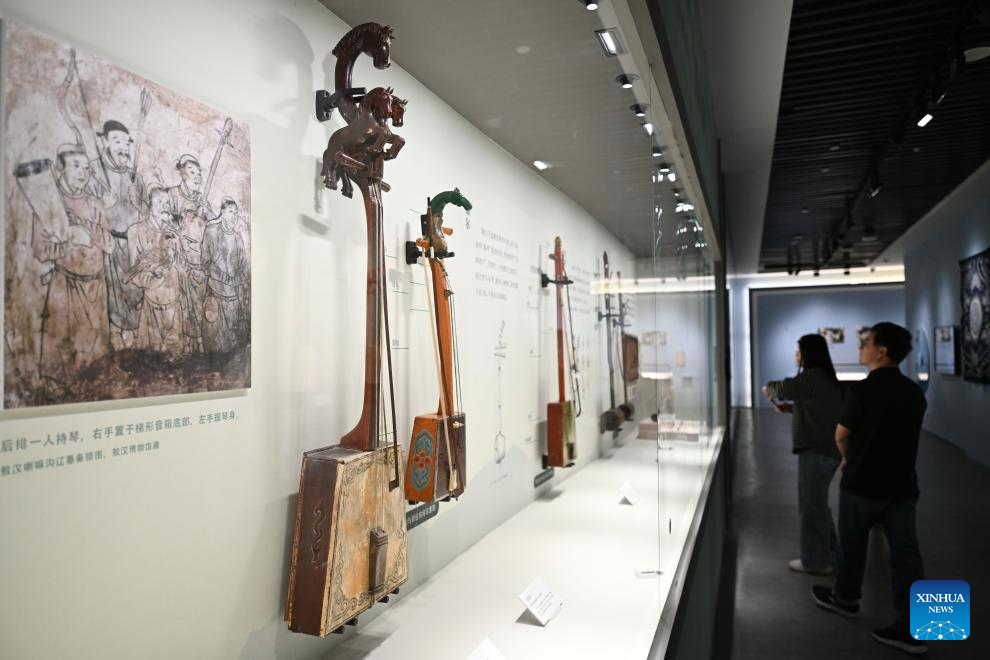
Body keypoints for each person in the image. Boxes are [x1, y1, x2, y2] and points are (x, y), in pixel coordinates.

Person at [811, 322, 928, 656]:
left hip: (861, 484)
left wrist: (849, 458)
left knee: (852, 546)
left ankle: (846, 598)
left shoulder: (861, 391)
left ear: (882, 351)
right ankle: (917, 630)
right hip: (902, 486)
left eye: (867, 343)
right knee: (907, 556)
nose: (861, 348)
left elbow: (841, 436)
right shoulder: (914, 392)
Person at [36, 143, 115, 390]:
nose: (83, 172)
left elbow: (110, 245)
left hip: (96, 286)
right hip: (66, 286)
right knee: (63, 356)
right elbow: (40, 249)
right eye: (76, 166)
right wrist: (69, 241)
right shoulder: (51, 203)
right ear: (61, 169)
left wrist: (90, 231)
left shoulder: (95, 204)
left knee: (96, 361)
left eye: (86, 167)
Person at [763, 334, 842, 575]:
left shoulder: (811, 376)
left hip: (817, 451)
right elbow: (817, 409)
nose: (796, 356)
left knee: (811, 507)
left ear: (809, 353)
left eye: (799, 351)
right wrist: (790, 409)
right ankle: (831, 553)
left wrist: (769, 388)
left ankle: (815, 560)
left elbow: (784, 387)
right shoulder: (822, 377)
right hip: (823, 450)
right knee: (817, 504)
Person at [93, 120, 146, 349]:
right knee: (113, 294)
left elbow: (147, 213)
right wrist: (103, 205)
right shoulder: (95, 171)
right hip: (109, 244)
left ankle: (132, 339)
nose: (123, 148)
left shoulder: (136, 177)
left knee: (134, 292)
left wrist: (138, 203)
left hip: (133, 246)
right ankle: (115, 335)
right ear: (105, 142)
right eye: (117, 141)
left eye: (126, 143)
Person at [127, 185, 184, 356]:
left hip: (174, 304)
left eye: (166, 202)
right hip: (152, 304)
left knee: (176, 358)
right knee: (151, 357)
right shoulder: (136, 231)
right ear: (149, 204)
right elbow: (134, 273)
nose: (164, 206)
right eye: (159, 202)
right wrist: (153, 278)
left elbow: (181, 266)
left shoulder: (173, 231)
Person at [200, 197, 249, 357]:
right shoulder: (211, 232)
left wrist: (236, 279)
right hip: (215, 297)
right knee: (213, 345)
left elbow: (243, 267)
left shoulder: (238, 238)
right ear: (222, 212)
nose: (234, 216)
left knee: (233, 348)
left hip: (232, 300)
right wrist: (224, 278)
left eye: (236, 212)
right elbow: (205, 263)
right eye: (230, 211)